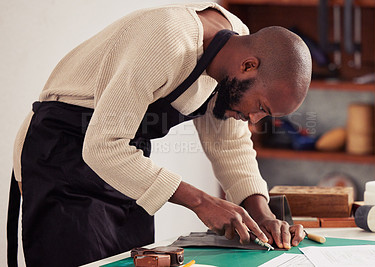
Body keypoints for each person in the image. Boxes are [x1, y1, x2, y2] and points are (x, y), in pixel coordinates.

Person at [7, 2, 312, 266]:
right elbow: (102, 147)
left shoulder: (237, 48)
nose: (254, 119)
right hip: (60, 153)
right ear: (248, 66)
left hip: (125, 161)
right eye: (260, 107)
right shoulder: (167, 40)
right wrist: (201, 202)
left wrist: (262, 213)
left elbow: (229, 144)